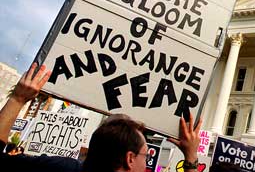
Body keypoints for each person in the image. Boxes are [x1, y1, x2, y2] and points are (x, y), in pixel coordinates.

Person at [0, 62, 201, 171]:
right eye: (145, 155)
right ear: (130, 159)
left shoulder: (64, 168)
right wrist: (190, 156)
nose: (147, 163)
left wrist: (18, 98)